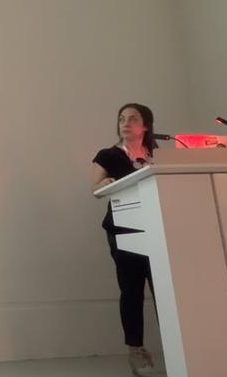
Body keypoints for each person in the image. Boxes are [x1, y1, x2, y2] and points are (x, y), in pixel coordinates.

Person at [91, 103, 159, 377]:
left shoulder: (157, 157)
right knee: (131, 289)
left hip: (157, 227)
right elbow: (95, 188)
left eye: (133, 118)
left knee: (164, 289)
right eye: (121, 118)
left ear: (146, 126)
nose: (126, 123)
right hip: (123, 228)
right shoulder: (108, 155)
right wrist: (102, 185)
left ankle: (179, 344)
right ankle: (136, 350)